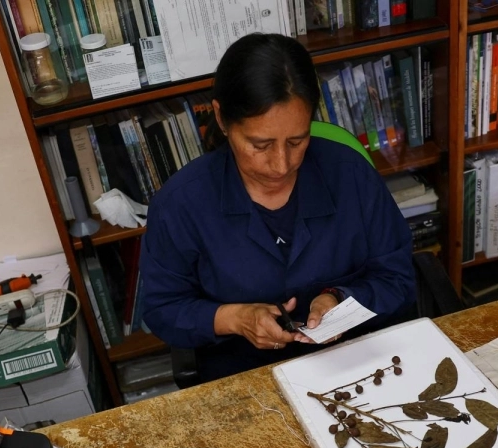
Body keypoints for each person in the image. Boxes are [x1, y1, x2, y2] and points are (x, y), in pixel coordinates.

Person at [140, 33, 416, 382]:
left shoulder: (351, 176)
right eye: (260, 144)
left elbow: (398, 278)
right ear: (222, 120)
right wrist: (235, 319)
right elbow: (164, 308)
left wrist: (338, 299)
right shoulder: (180, 204)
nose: (281, 164)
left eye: (297, 141)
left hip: (353, 364)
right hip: (243, 374)